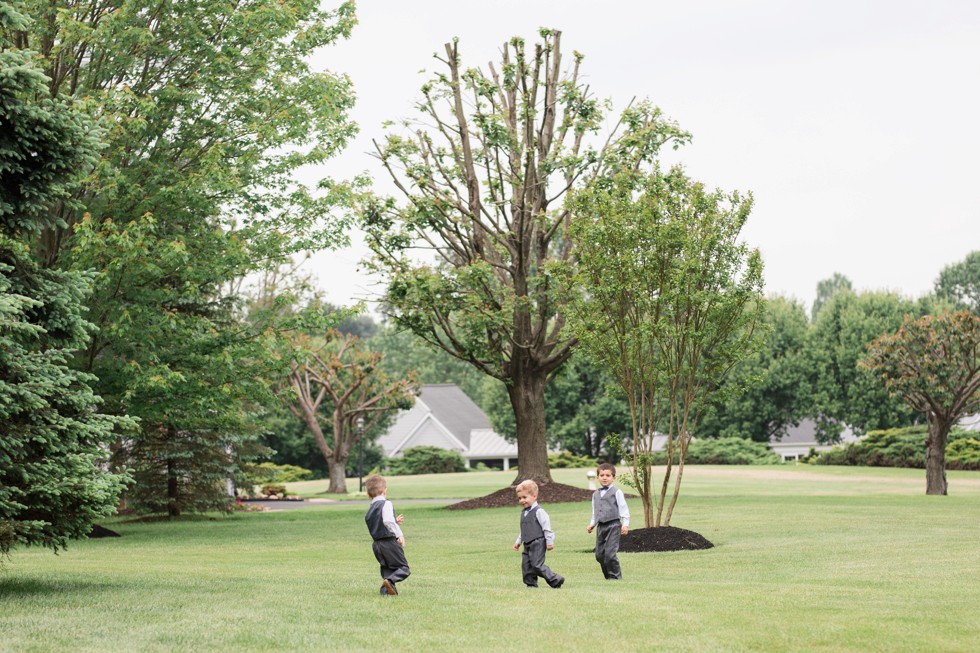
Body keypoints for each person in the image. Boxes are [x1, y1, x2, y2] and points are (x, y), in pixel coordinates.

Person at [513, 480, 565, 589]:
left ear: (534, 496)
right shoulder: (524, 512)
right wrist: (518, 541)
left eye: (524, 497)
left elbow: (547, 528)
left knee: (536, 565)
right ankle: (531, 584)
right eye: (519, 498)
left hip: (538, 542)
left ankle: (556, 579)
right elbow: (524, 529)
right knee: (526, 565)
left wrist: (549, 542)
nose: (522, 500)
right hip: (527, 543)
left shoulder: (539, 512)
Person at [364, 474, 410, 596]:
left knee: (388, 569)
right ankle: (390, 581)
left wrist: (394, 521)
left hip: (377, 545)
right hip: (389, 542)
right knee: (403, 568)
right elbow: (387, 521)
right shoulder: (386, 504)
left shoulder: (370, 510)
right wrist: (399, 534)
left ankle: (386, 592)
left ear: (368, 494)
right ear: (385, 491)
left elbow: (382, 522)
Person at [586, 462, 630, 579]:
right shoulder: (595, 494)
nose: (604, 478)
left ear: (613, 478)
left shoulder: (617, 492)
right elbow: (595, 512)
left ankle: (616, 577)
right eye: (602, 475)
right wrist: (592, 524)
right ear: (598, 477)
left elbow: (623, 509)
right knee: (599, 555)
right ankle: (608, 577)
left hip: (613, 525)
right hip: (601, 526)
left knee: (610, 554)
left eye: (608, 475)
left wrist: (625, 525)